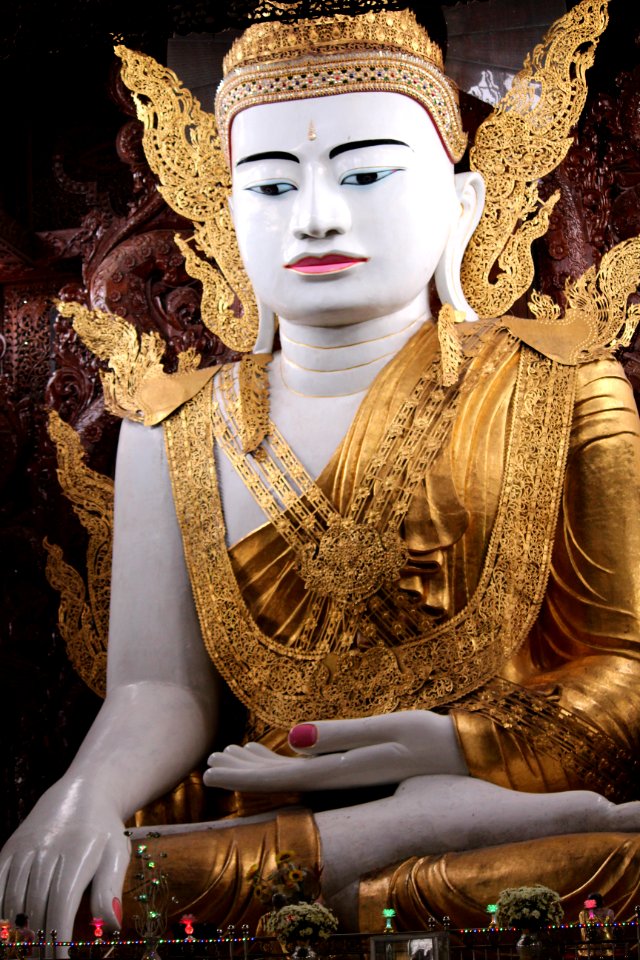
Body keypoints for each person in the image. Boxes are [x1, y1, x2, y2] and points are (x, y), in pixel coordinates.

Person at [1, 1, 640, 945]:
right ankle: (411, 835)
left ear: (460, 204)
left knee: (614, 869)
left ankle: (449, 820)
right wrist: (81, 794)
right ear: (224, 220)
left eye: (368, 172)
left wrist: (457, 745)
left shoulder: (562, 382)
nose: (315, 216)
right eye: (266, 186)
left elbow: (625, 669)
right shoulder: (173, 422)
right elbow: (158, 692)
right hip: (265, 821)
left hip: (491, 788)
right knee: (83, 888)